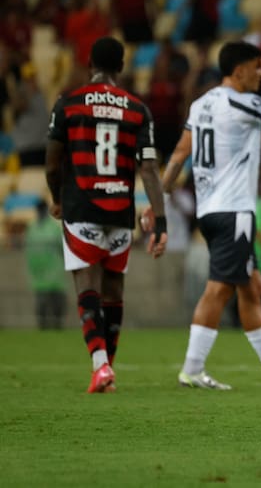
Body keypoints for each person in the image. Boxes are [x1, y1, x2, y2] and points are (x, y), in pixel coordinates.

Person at [160, 41, 261, 390]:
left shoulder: (201, 104)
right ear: (238, 71)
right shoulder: (240, 102)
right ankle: (192, 369)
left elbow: (179, 154)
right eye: (256, 68)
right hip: (233, 209)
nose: (260, 74)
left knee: (251, 287)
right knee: (219, 289)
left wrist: (158, 197)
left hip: (209, 211)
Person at [44, 36, 168, 393]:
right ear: (122, 67)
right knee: (113, 291)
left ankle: (100, 365)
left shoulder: (68, 104)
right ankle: (107, 370)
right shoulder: (137, 109)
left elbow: (52, 163)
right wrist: (160, 221)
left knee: (88, 285)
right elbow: (149, 169)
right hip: (119, 209)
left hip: (81, 205)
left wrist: (57, 197)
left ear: (89, 65)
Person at [24, 199, 67, 329]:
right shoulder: (32, 228)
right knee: (41, 302)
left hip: (54, 270)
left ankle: (58, 325)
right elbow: (28, 250)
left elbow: (62, 248)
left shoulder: (54, 228)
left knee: (57, 301)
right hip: (38, 271)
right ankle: (42, 326)